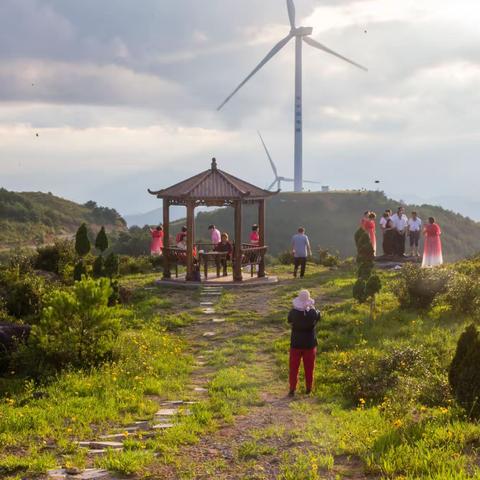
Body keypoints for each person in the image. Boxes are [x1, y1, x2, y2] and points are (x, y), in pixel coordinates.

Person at [287, 289, 320, 396]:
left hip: (296, 343)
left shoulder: (293, 312)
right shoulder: (312, 313)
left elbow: (289, 321)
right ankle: (308, 388)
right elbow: (318, 316)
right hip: (310, 344)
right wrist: (313, 308)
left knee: (293, 367)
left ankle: (292, 389)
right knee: (309, 367)